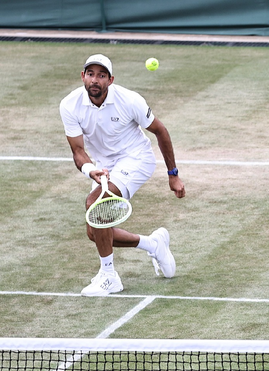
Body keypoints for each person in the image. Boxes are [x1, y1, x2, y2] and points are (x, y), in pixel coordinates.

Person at [59, 54, 185, 297]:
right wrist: (90, 170)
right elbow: (78, 151)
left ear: (110, 80)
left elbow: (161, 131)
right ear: (82, 76)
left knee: (95, 204)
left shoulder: (129, 100)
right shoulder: (69, 105)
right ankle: (152, 244)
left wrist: (173, 174)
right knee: (94, 231)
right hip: (106, 166)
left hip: (136, 159)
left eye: (101, 75)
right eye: (91, 74)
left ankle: (109, 276)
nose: (95, 80)